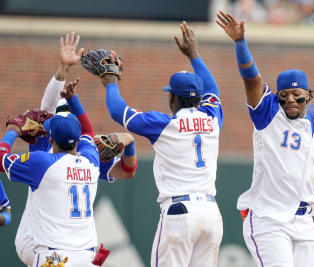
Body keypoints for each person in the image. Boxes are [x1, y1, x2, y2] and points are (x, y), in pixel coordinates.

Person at [216, 11, 314, 267]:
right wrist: (240, 43)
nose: (290, 99)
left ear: (309, 95)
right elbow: (251, 78)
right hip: (268, 219)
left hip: (304, 221)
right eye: (284, 95)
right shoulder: (268, 114)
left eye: (297, 94)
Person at [99, 21, 223, 267]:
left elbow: (117, 111)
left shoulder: (164, 125)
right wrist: (194, 55)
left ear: (173, 97)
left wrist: (110, 81)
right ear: (198, 99)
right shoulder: (213, 118)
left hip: (180, 212)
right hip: (211, 214)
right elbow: (213, 89)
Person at [14, 33, 137, 267]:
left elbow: (46, 111)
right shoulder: (88, 158)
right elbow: (128, 170)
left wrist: (63, 70)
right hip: (66, 248)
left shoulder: (46, 150)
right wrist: (129, 142)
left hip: (46, 247)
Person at [1, 79, 101, 266]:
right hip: (87, 257)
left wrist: (12, 131)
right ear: (78, 139)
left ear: (51, 138)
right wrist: (73, 100)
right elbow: (89, 130)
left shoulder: (42, 163)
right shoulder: (90, 161)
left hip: (55, 257)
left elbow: (1, 159)